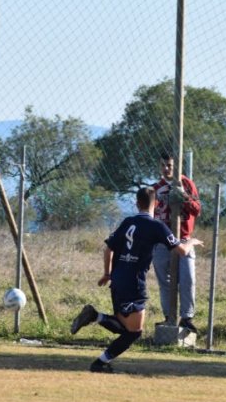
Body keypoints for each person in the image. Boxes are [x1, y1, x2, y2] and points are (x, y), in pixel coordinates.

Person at [70, 186, 201, 373]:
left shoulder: (128, 222)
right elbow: (181, 251)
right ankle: (98, 356)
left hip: (117, 279)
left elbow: (109, 249)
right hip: (134, 283)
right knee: (133, 332)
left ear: (136, 203)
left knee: (124, 327)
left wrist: (107, 274)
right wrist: (191, 241)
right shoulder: (157, 226)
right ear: (156, 204)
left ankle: (98, 334)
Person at [151, 151, 202, 333]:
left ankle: (186, 317)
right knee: (165, 280)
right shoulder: (156, 188)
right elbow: (150, 214)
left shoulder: (186, 183)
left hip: (183, 239)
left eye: (170, 166)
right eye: (163, 166)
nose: (166, 169)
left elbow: (197, 210)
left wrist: (184, 197)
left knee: (187, 278)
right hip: (162, 241)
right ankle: (168, 316)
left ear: (177, 166)